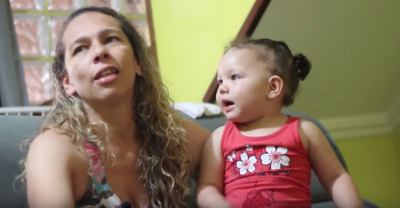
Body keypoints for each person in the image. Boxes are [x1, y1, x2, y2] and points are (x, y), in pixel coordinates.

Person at [20, 6, 210, 208]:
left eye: (111, 39)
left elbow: (239, 148)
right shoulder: (54, 150)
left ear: (138, 63)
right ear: (68, 83)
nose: (100, 52)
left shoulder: (175, 137)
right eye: (80, 48)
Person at [196, 38, 362, 208]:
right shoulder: (219, 137)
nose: (222, 88)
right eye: (220, 81)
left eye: (234, 77)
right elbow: (207, 187)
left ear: (273, 87)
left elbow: (336, 177)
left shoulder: (304, 131)